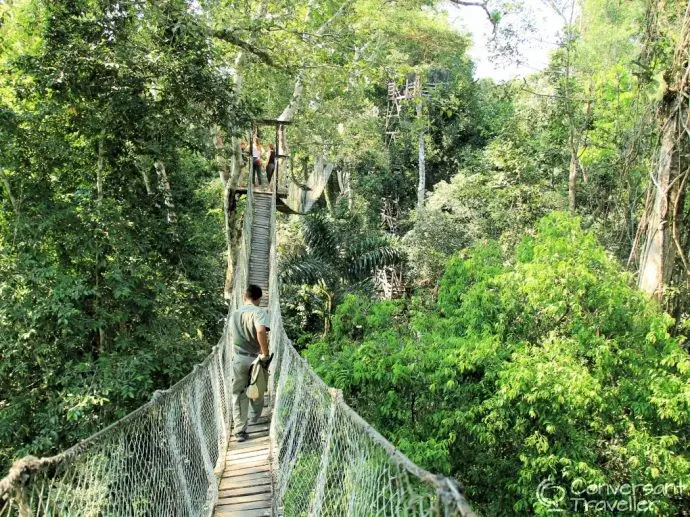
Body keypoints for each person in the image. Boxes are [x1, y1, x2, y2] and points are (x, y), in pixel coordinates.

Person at [230, 285, 271, 442]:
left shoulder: (234, 314)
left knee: (239, 393)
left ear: (244, 296)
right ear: (259, 299)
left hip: (239, 358)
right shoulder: (259, 312)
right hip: (256, 359)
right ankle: (254, 419)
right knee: (258, 388)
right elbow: (261, 331)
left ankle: (240, 430)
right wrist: (265, 353)